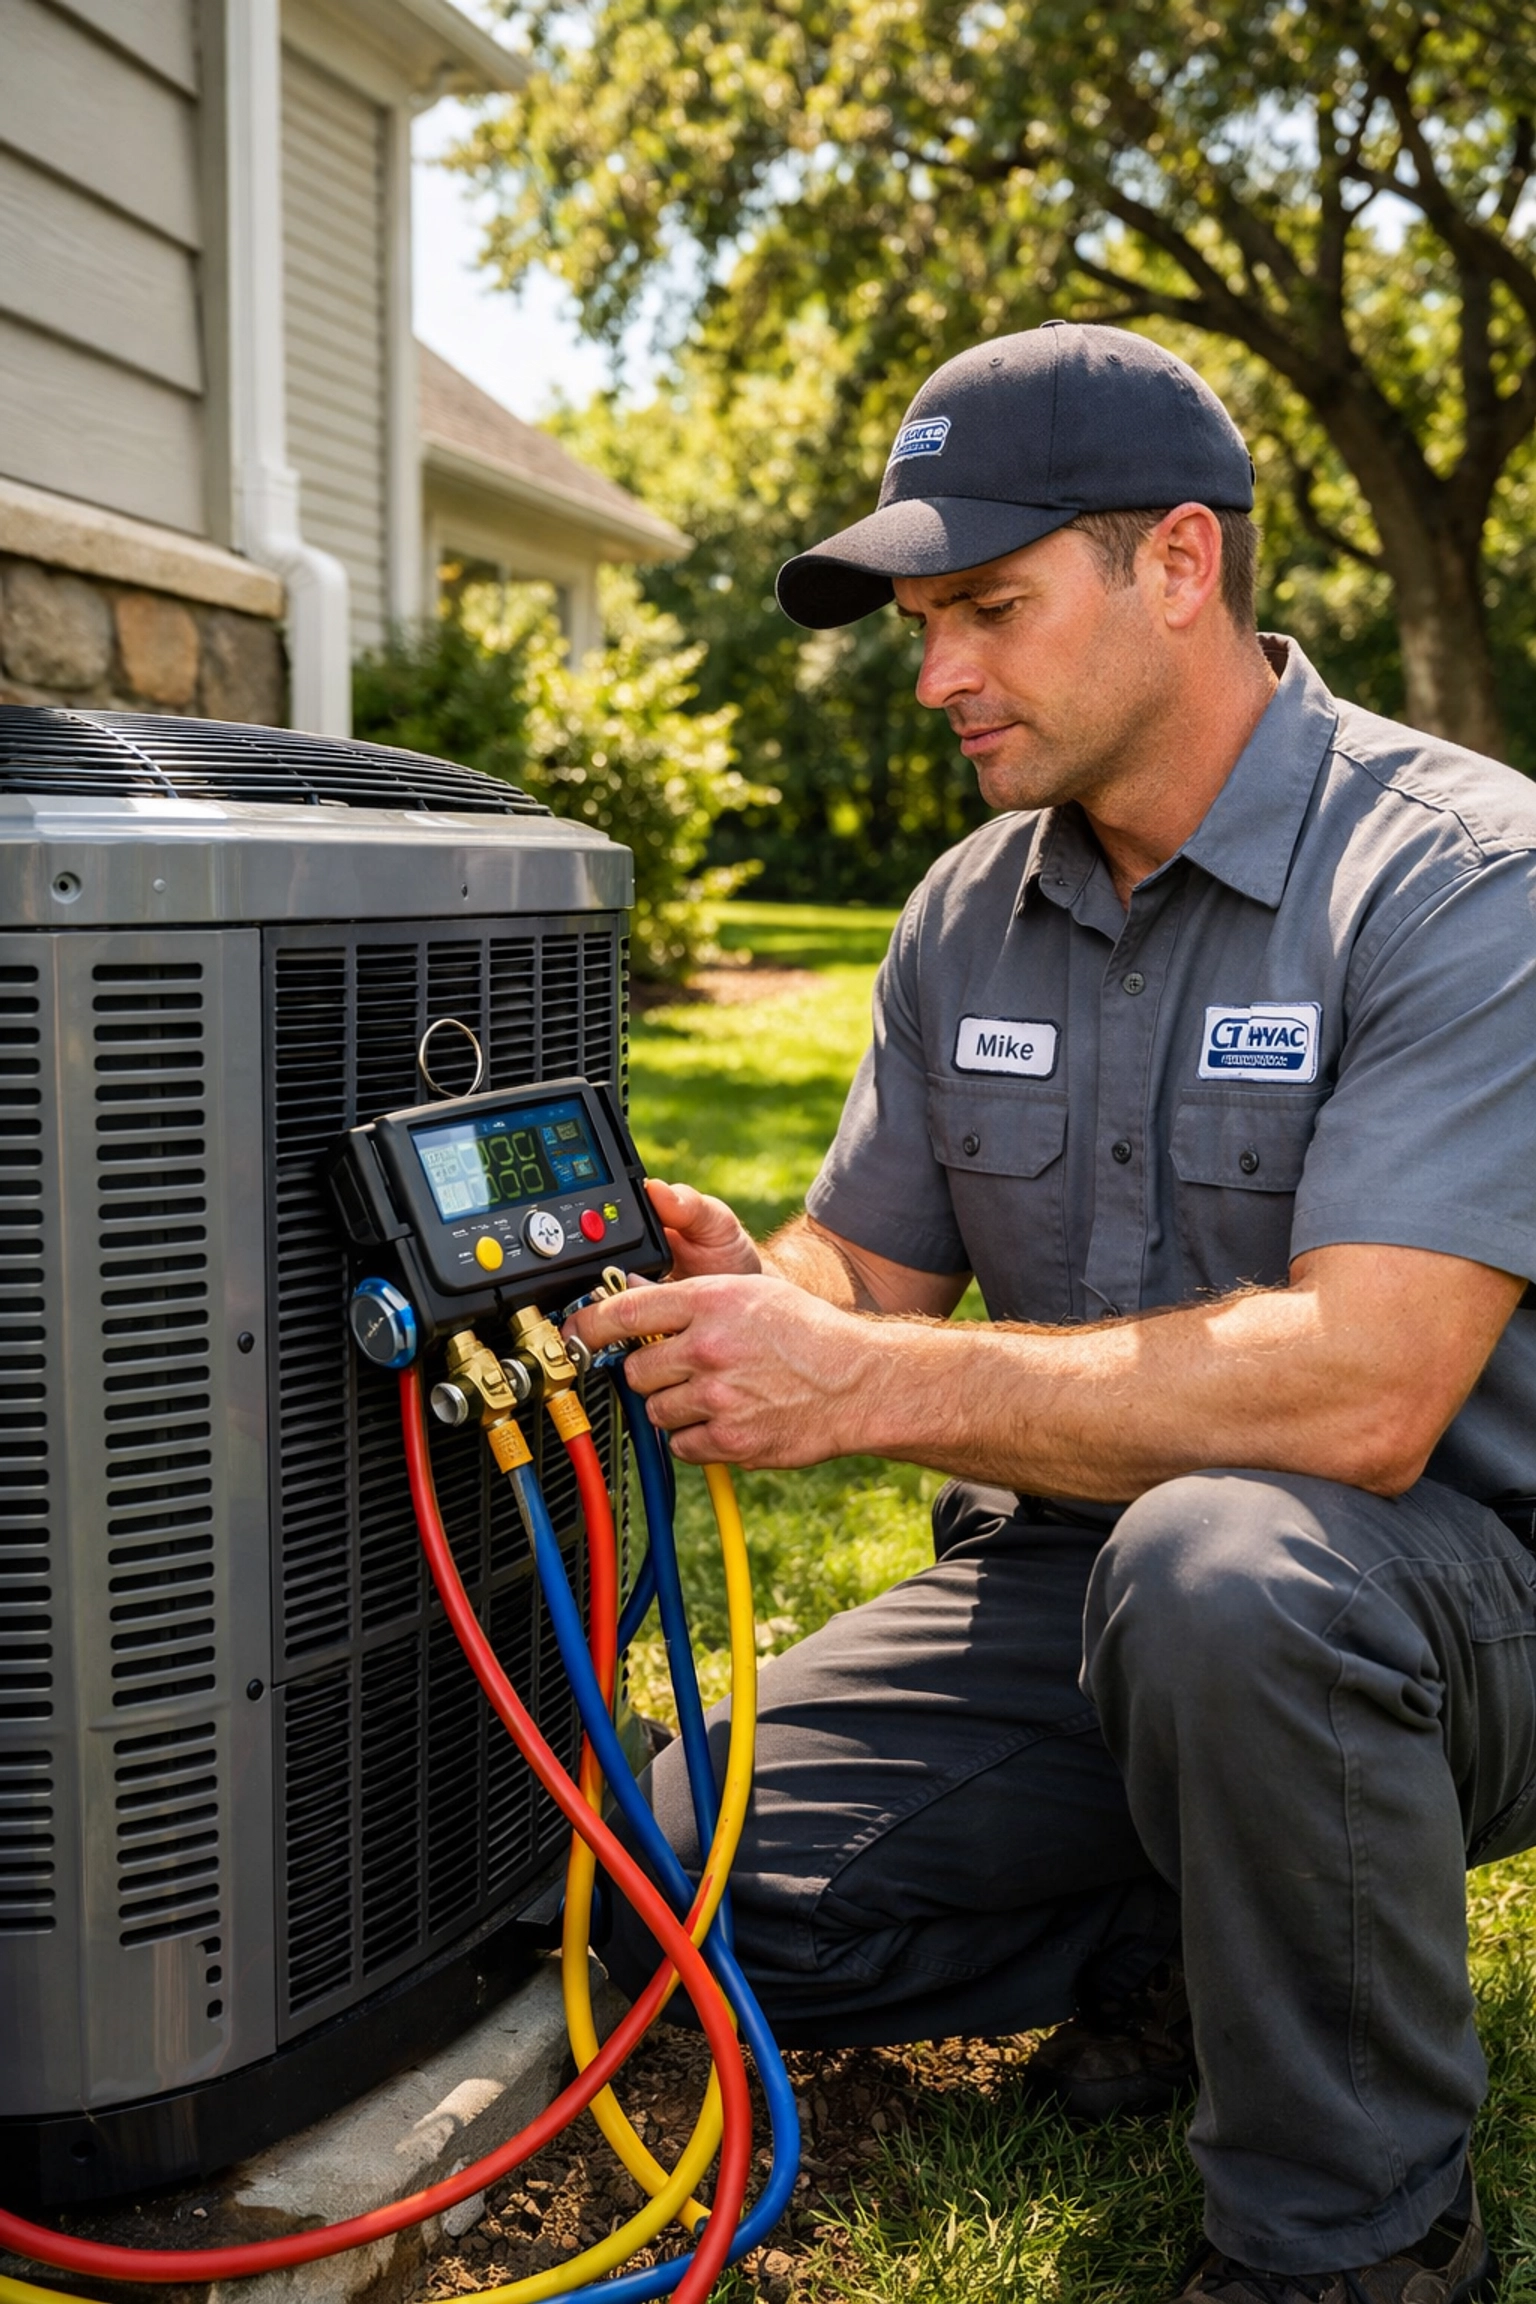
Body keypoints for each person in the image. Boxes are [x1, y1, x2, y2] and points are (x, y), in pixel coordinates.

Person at [566, 322, 1536, 2304]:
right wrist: (760, 1296)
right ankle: (1192, 1926)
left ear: (1179, 564)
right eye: (923, 626)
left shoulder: (1464, 882)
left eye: (989, 610)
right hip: (1072, 1599)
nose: (937, 675)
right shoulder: (966, 911)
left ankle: (1352, 2243)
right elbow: (867, 1275)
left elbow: (1365, 1398)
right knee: (638, 1891)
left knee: (1224, 1574)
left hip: (1443, 1602)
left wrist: (869, 1382)